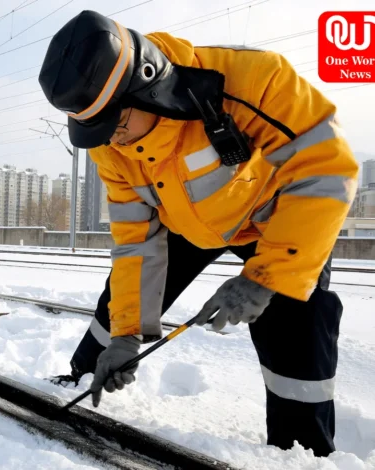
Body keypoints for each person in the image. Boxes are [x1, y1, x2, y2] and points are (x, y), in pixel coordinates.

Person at [37, 10, 358, 458]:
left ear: (149, 88)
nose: (112, 142)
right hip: (184, 222)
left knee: (298, 321)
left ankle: (298, 453)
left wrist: (266, 277)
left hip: (273, 219)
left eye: (117, 125)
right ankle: (83, 377)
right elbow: (135, 242)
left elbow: (328, 168)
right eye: (98, 132)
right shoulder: (112, 147)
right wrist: (126, 334)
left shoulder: (251, 82)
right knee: (115, 312)